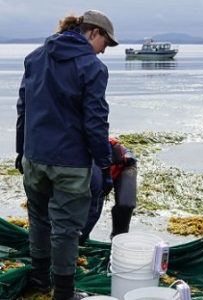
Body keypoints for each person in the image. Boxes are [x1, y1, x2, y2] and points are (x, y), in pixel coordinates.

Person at [15, 10, 118, 300]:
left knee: (39, 220)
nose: (104, 51)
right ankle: (63, 292)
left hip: (34, 157)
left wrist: (21, 150)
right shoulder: (92, 67)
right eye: (105, 44)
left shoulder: (35, 57)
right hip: (70, 163)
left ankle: (38, 280)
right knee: (65, 229)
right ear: (93, 33)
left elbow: (24, 108)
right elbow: (95, 121)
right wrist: (105, 165)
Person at [79, 137, 138, 246]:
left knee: (126, 204)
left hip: (124, 164)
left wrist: (77, 237)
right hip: (100, 168)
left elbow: (94, 209)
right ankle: (82, 241)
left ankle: (119, 244)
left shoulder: (93, 173)